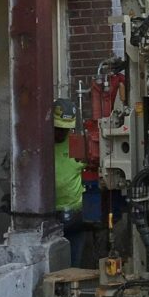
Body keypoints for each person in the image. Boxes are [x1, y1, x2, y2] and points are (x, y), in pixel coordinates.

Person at [53, 98, 86, 266]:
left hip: (75, 215)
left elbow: (93, 168)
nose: (61, 133)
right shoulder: (41, 146)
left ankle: (73, 292)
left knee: (74, 266)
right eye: (58, 128)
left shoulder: (76, 144)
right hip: (48, 217)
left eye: (65, 130)